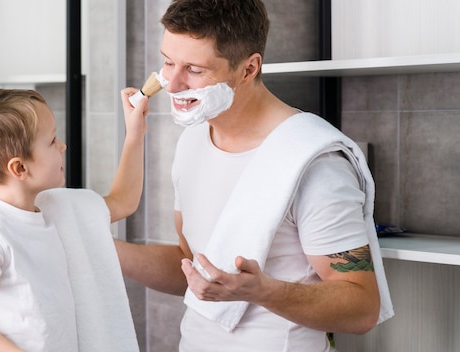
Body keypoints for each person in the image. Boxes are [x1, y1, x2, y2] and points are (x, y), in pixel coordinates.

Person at [113, 1, 394, 351]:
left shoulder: (314, 162)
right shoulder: (192, 141)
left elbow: (362, 307)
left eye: (195, 70)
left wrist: (263, 292)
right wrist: (105, 250)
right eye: (168, 62)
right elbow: (190, 263)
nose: (171, 85)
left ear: (248, 69)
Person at [0, 88, 147, 351]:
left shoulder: (58, 210)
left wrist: (135, 134)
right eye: (52, 141)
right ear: (19, 168)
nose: (63, 146)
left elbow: (124, 201)